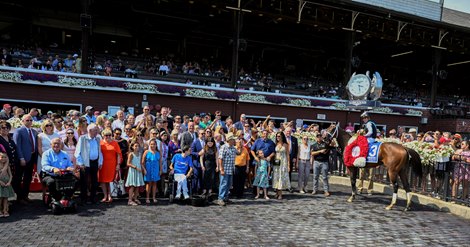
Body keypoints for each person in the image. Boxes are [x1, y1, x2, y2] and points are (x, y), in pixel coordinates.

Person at [13, 114, 38, 204]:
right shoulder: (19, 131)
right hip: (22, 159)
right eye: (27, 120)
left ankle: (25, 196)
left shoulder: (34, 132)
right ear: (22, 121)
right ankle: (20, 197)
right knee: (18, 178)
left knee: (28, 178)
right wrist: (21, 158)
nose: (29, 122)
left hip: (31, 158)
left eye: (31, 120)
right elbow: (17, 146)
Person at [75, 123, 103, 205]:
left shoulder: (97, 139)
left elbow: (99, 152)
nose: (97, 132)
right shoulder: (82, 138)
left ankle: (93, 198)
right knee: (84, 182)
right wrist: (80, 163)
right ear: (90, 131)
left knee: (94, 182)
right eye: (95, 130)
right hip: (85, 163)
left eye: (97, 130)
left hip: (94, 162)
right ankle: (83, 199)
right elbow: (77, 152)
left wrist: (100, 162)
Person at [99, 129, 122, 203]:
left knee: (110, 180)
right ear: (103, 135)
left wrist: (118, 164)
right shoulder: (100, 143)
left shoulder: (115, 143)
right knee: (102, 180)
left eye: (109, 135)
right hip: (102, 164)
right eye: (106, 135)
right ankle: (105, 195)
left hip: (112, 164)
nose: (108, 137)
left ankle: (110, 195)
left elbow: (118, 154)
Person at [216, 132, 238, 206]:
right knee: (223, 184)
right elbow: (220, 158)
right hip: (224, 169)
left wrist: (240, 145)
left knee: (228, 185)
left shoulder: (233, 148)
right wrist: (221, 169)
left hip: (231, 169)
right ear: (229, 140)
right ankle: (220, 198)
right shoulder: (224, 147)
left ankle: (225, 197)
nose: (234, 141)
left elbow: (239, 153)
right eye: (233, 140)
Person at [142, 138, 162, 204]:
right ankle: (147, 197)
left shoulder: (158, 153)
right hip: (148, 169)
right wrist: (144, 169)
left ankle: (154, 197)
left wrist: (160, 170)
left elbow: (160, 162)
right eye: (151, 144)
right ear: (149, 145)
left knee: (154, 183)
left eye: (154, 144)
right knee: (149, 184)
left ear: (156, 145)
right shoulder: (146, 152)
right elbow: (142, 162)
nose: (152, 145)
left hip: (156, 169)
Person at [125, 141, 145, 206]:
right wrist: (135, 167)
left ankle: (135, 198)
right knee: (132, 186)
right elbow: (128, 163)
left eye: (138, 146)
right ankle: (130, 200)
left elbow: (141, 163)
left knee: (137, 186)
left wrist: (143, 169)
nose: (137, 147)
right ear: (132, 147)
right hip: (133, 171)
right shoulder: (131, 154)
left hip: (138, 171)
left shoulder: (140, 154)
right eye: (135, 146)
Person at [272, 131, 290, 200]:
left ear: (282, 136)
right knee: (276, 177)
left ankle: (280, 194)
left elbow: (288, 155)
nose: (277, 137)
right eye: (277, 136)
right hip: (276, 162)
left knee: (281, 177)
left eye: (279, 136)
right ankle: (277, 192)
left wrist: (288, 165)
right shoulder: (275, 144)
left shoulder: (285, 144)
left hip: (283, 162)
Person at [0, 152, 14, 217]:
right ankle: (0, 210)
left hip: (6, 184)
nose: (3, 158)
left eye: (5, 157)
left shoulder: (7, 166)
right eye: (2, 157)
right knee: (0, 198)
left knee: (6, 198)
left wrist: (9, 182)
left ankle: (5, 210)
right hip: (0, 184)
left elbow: (10, 175)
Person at [284, 127, 298, 192]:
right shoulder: (282, 138)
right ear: (285, 132)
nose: (288, 133)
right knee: (281, 172)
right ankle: (280, 187)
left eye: (289, 131)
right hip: (283, 157)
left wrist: (295, 157)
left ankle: (288, 186)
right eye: (287, 131)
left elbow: (296, 150)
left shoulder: (294, 139)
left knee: (289, 172)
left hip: (291, 157)